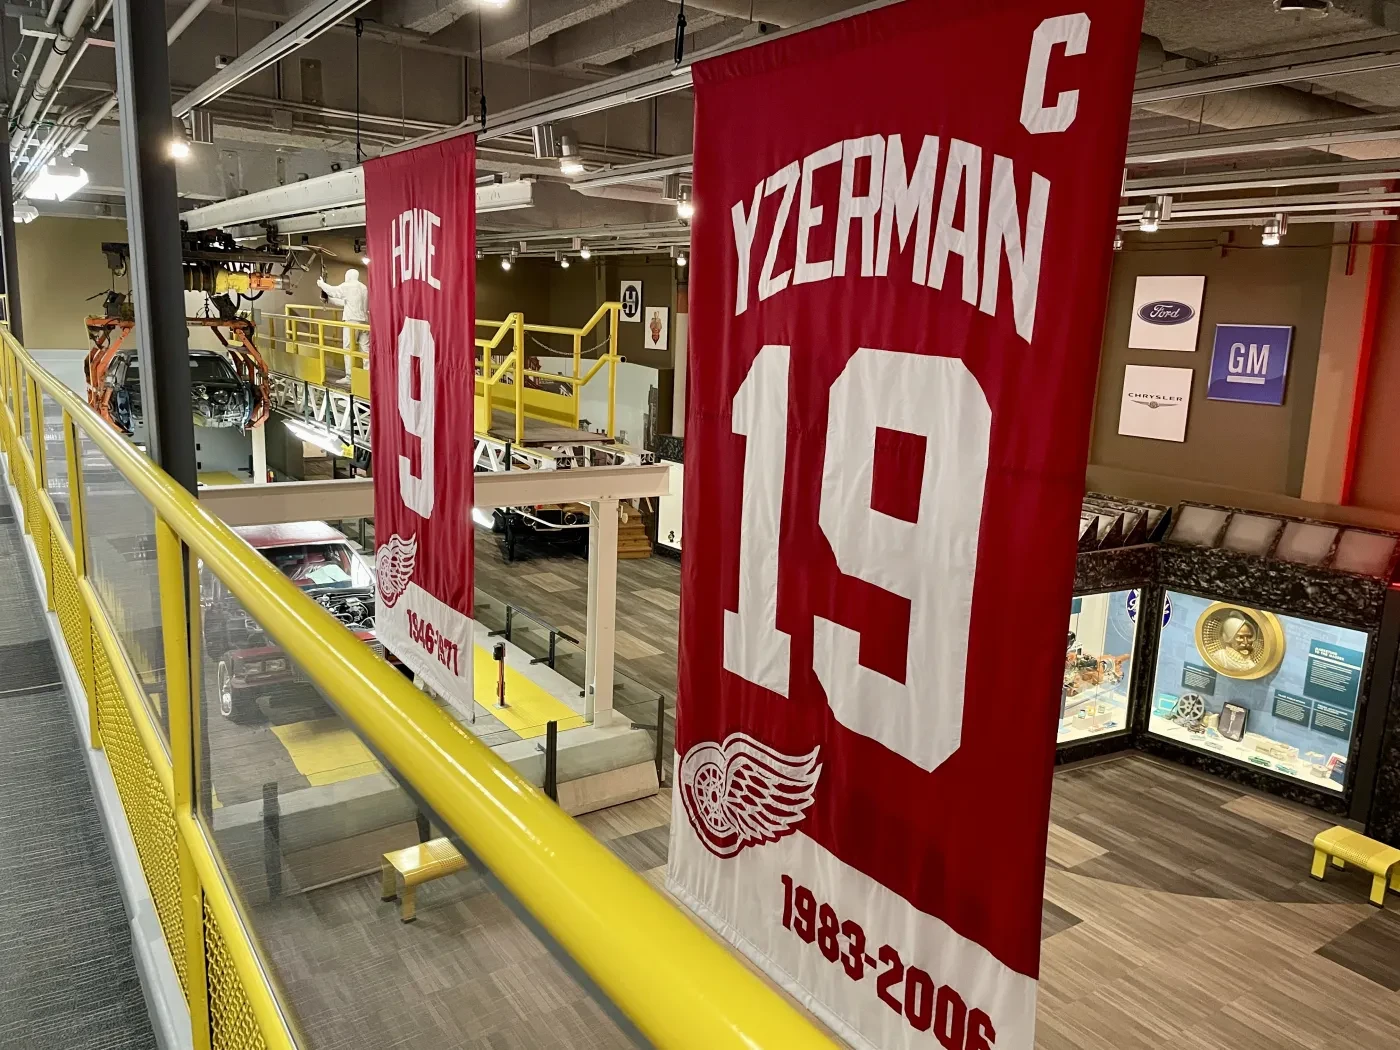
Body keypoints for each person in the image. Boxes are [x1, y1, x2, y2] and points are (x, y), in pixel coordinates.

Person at [317, 267, 370, 354]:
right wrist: (329, 299)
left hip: (351, 322)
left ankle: (349, 368)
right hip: (364, 322)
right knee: (365, 350)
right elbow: (345, 302)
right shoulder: (363, 287)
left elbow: (333, 291)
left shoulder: (348, 286)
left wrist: (321, 284)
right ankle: (367, 368)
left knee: (348, 349)